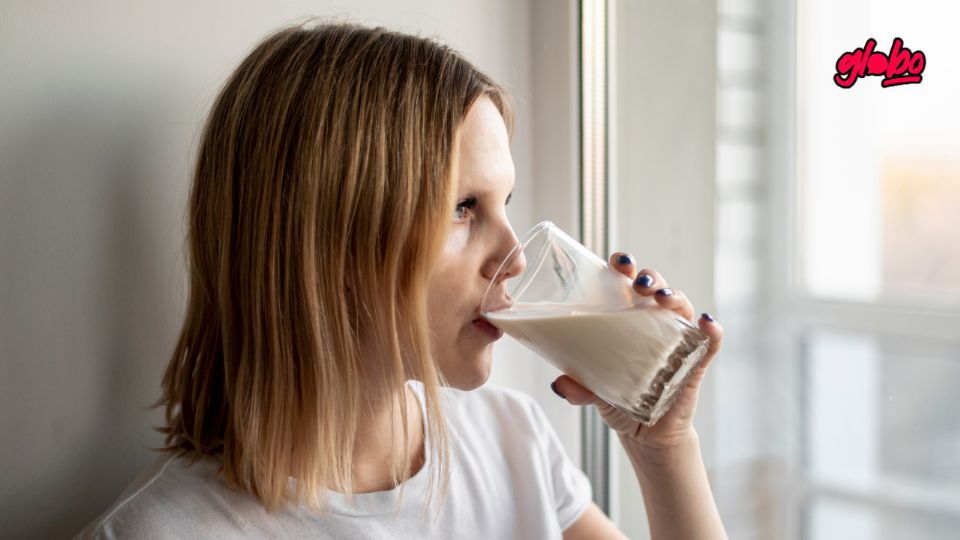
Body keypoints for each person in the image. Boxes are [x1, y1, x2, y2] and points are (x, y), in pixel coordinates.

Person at [75, 19, 726, 539]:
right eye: (462, 208)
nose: (514, 255)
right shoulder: (164, 531)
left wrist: (664, 445)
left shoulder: (511, 443)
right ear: (324, 237)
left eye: (506, 203)